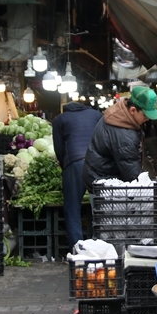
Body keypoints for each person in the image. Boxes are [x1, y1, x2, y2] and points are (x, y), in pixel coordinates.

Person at [83, 86, 157, 188]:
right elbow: (132, 172)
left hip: (100, 177)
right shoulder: (124, 134)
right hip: (105, 184)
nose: (147, 119)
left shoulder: (120, 115)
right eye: (145, 115)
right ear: (133, 110)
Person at [52, 100, 102, 248]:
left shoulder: (59, 119)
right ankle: (101, 244)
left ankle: (78, 247)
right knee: (99, 206)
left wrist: (64, 165)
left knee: (72, 207)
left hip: (74, 163)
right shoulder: (96, 115)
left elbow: (59, 148)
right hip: (96, 162)